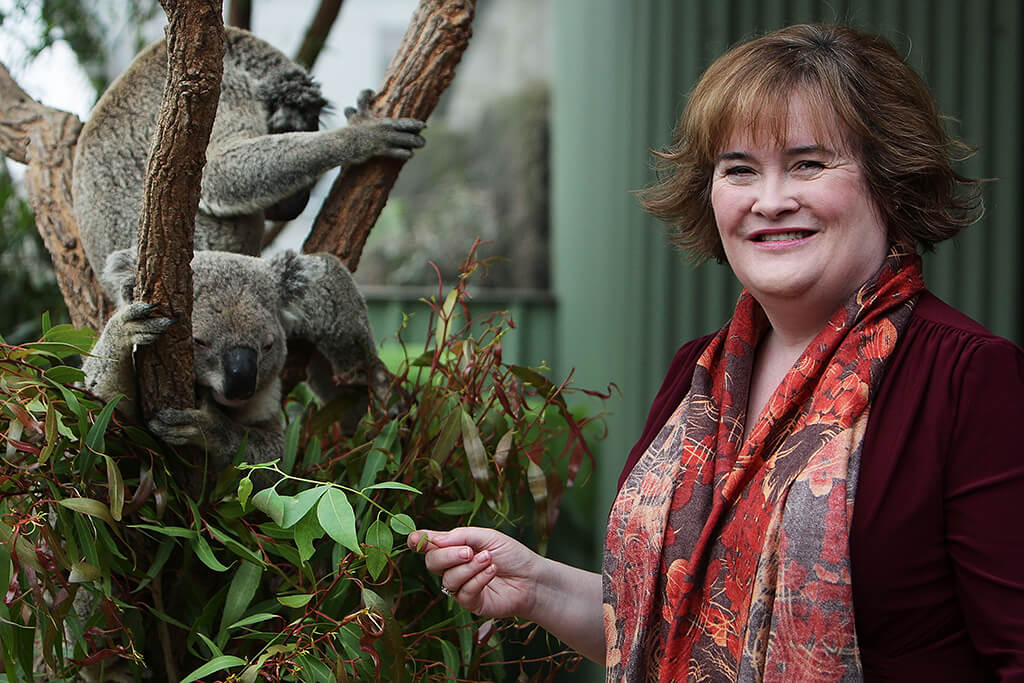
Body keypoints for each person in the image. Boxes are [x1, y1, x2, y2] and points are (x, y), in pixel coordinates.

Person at [407, 23, 1024, 681]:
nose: (770, 201)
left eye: (808, 163)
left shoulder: (968, 378)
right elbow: (666, 631)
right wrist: (537, 586)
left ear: (888, 179)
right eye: (740, 169)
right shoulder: (698, 375)